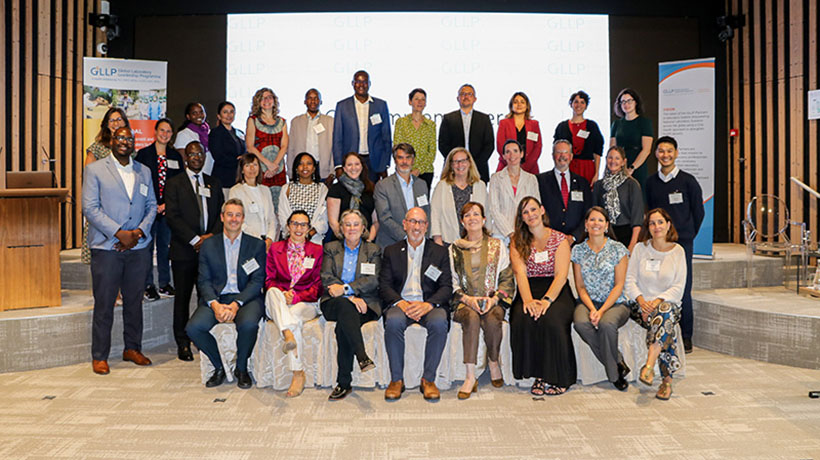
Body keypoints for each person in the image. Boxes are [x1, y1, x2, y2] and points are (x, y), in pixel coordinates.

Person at [82, 126, 156, 375]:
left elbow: (152, 206)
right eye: (120, 137)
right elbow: (90, 208)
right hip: (107, 247)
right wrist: (119, 233)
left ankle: (132, 348)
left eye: (129, 138)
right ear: (112, 141)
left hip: (138, 246)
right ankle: (100, 355)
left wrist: (137, 234)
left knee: (134, 301)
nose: (125, 142)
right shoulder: (95, 169)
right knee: (104, 303)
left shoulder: (143, 171)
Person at [185, 199, 266, 389]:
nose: (234, 219)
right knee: (193, 328)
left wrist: (237, 304)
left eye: (238, 215)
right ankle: (219, 367)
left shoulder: (256, 245)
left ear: (243, 218)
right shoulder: (208, 245)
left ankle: (241, 368)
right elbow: (203, 280)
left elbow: (257, 281)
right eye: (230, 214)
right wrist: (214, 304)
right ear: (222, 217)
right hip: (217, 297)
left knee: (248, 324)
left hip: (246, 297)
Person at [380, 207, 452, 401]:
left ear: (427, 226)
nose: (417, 227)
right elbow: (384, 286)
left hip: (428, 304)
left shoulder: (439, 252)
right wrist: (401, 303)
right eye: (412, 221)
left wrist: (428, 305)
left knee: (439, 322)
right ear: (404, 224)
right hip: (401, 304)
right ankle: (396, 380)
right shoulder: (391, 251)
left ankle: (428, 380)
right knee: (393, 321)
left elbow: (446, 287)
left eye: (421, 222)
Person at [164, 141, 225, 362]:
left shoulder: (213, 183)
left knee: (207, 298)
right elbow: (172, 216)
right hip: (183, 251)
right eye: (192, 154)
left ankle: (203, 339)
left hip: (209, 252)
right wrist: (194, 239)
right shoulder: (174, 184)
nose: (196, 157)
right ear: (186, 158)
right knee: (182, 298)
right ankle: (182, 342)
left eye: (200, 153)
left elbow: (222, 214)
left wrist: (208, 239)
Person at [509, 196, 576, 395]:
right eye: (525, 212)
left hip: (556, 289)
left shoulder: (559, 239)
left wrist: (546, 301)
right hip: (529, 287)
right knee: (523, 317)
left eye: (533, 209)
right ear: (521, 217)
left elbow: (561, 275)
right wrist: (528, 301)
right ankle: (538, 375)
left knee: (552, 319)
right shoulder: (517, 240)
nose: (530, 215)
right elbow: (520, 273)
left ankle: (561, 377)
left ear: (542, 210)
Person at [449, 202, 514, 399]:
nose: (472, 218)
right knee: (471, 318)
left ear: (484, 219)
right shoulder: (455, 249)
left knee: (493, 318)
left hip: (491, 300)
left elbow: (506, 278)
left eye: (476, 214)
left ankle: (493, 361)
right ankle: (470, 376)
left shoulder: (497, 245)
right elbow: (452, 282)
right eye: (467, 215)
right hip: (464, 302)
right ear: (462, 221)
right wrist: (468, 300)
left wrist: (494, 300)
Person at [645, 136, 704, 354]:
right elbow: (650, 212)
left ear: (676, 153)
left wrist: (687, 235)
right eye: (661, 151)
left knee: (682, 288)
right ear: (656, 154)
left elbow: (698, 212)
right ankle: (659, 330)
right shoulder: (651, 182)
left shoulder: (688, 181)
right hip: (657, 245)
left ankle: (686, 336)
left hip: (682, 244)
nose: (665, 155)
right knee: (658, 286)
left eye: (669, 151)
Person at [625, 208, 687, 400]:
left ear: (668, 225)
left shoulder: (678, 251)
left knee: (665, 313)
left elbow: (678, 287)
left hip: (668, 304)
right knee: (664, 320)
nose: (656, 227)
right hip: (640, 306)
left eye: (660, 222)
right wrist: (643, 302)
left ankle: (649, 364)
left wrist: (657, 302)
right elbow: (630, 280)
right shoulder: (640, 249)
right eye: (652, 223)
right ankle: (666, 382)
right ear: (648, 227)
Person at [320, 209, 382, 400]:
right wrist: (350, 297)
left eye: (356, 224)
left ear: (364, 228)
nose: (352, 228)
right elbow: (326, 277)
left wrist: (347, 289)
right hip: (334, 302)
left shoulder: (373, 250)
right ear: (341, 227)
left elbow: (372, 280)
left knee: (343, 328)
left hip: (366, 304)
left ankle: (343, 383)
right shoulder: (331, 247)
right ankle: (362, 356)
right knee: (346, 308)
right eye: (347, 224)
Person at [571, 207, 631, 391]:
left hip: (616, 303)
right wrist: (592, 308)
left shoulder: (618, 249)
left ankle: (613, 375)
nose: (595, 223)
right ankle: (618, 362)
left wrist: (601, 310)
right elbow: (580, 286)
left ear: (606, 225)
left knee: (606, 324)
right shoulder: (578, 251)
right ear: (586, 225)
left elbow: (619, 285)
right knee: (580, 323)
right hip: (588, 301)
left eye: (600, 220)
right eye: (592, 220)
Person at [264, 211, 323, 397]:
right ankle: (288, 334)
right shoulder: (275, 248)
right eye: (295, 224)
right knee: (272, 292)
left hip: (306, 302)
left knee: (294, 315)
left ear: (308, 228)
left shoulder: (317, 250)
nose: (299, 228)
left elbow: (318, 285)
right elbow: (269, 280)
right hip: (279, 300)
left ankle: (297, 372)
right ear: (288, 226)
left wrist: (296, 297)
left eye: (303, 225)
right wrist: (283, 294)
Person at [135, 118, 184, 300]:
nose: (165, 134)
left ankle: (164, 283)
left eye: (168, 131)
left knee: (164, 247)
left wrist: (166, 205)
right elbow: (138, 182)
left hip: (167, 210)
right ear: (155, 132)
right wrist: (151, 205)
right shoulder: (143, 154)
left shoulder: (175, 156)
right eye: (162, 130)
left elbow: (179, 185)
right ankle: (148, 284)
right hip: (147, 209)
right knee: (147, 247)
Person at [81, 107, 130, 265]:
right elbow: (88, 177)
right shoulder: (97, 147)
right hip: (102, 209)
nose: (116, 123)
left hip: (124, 210)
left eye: (119, 119)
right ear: (106, 124)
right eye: (112, 120)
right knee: (104, 262)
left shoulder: (129, 148)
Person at [332, 70, 392, 182]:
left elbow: (386, 137)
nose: (361, 85)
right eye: (358, 81)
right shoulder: (342, 106)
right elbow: (337, 139)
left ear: (369, 84)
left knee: (371, 197)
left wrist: (385, 164)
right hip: (350, 162)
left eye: (364, 82)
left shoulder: (380, 105)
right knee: (351, 197)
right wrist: (339, 165)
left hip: (374, 162)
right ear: (353, 83)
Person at [373, 143, 430, 248]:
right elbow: (384, 218)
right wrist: (407, 238)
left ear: (413, 160)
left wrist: (422, 238)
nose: (404, 162)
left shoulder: (422, 185)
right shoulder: (383, 186)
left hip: (419, 244)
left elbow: (426, 213)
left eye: (408, 158)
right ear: (395, 160)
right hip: (392, 244)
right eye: (400, 158)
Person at [536, 139, 592, 244]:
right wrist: (551, 235)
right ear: (553, 155)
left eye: (565, 152)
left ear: (571, 156)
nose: (562, 156)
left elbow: (588, 213)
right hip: (548, 240)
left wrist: (574, 236)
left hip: (577, 242)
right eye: (558, 152)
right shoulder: (540, 181)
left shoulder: (582, 183)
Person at [245, 87, 289, 217]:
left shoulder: (282, 122)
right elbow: (250, 146)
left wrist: (275, 165)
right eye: (263, 98)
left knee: (278, 208)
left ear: (274, 101)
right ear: (258, 102)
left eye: (269, 97)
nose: (266, 100)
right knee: (262, 207)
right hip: (261, 170)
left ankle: (276, 236)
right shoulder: (252, 120)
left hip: (279, 169)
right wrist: (268, 164)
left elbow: (284, 146)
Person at [431, 147, 488, 246]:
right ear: (451, 165)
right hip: (448, 242)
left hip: (476, 243)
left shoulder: (480, 186)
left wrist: (487, 238)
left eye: (463, 161)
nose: (460, 165)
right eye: (455, 162)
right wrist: (437, 241)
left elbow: (487, 213)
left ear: (469, 163)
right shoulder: (442, 186)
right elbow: (434, 214)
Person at [439, 84, 495, 182]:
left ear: (475, 99)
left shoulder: (484, 119)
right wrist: (455, 162)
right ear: (458, 98)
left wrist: (473, 164)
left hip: (479, 169)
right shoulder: (448, 118)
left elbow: (489, 145)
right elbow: (443, 144)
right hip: (453, 169)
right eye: (463, 94)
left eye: (469, 94)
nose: (466, 96)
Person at [592, 146, 644, 251]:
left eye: (617, 158)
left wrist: (633, 243)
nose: (613, 161)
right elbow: (594, 213)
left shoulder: (632, 184)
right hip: (604, 235)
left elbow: (637, 217)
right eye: (610, 158)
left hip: (626, 235)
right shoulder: (598, 185)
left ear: (623, 162)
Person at [487, 140, 539, 244]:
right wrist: (510, 233)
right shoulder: (496, 178)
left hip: (525, 233)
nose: (512, 155)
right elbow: (494, 209)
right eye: (508, 152)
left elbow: (535, 207)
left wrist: (521, 232)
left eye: (515, 151)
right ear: (503, 156)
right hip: (501, 234)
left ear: (522, 154)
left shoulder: (531, 179)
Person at [553, 90, 605, 186]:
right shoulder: (562, 127)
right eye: (576, 101)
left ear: (586, 106)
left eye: (582, 102)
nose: (578, 105)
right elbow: (556, 151)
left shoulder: (592, 126)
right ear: (571, 104)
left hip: (587, 169)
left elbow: (597, 152)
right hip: (567, 167)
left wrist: (596, 173)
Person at [278, 152, 329, 245]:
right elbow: (282, 215)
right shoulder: (286, 188)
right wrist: (293, 234)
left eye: (309, 164)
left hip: (314, 240)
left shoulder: (322, 188)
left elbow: (324, 218)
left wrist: (308, 235)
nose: (305, 167)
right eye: (301, 164)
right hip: (290, 240)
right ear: (296, 168)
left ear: (314, 168)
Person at [228, 154, 277, 250]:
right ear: (242, 170)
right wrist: (256, 240)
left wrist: (270, 238)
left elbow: (272, 217)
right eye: (247, 165)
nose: (252, 168)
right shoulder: (236, 190)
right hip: (247, 240)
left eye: (255, 165)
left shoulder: (265, 190)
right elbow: (236, 219)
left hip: (267, 242)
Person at [327, 152, 378, 242]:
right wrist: (347, 241)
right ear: (344, 169)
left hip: (367, 241)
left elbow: (376, 221)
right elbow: (333, 222)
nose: (353, 168)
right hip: (341, 241)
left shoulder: (371, 188)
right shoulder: (336, 189)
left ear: (362, 167)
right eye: (349, 165)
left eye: (357, 164)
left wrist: (369, 240)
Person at [287, 88, 334, 183]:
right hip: (302, 170)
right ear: (305, 101)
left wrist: (332, 173)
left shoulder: (330, 121)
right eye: (310, 98)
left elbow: (334, 149)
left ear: (321, 101)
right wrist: (291, 173)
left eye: (316, 98)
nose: (313, 101)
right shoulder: (296, 122)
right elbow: (291, 149)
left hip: (323, 170)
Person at [393, 88, 436, 191]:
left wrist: (418, 170)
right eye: (416, 99)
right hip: (404, 170)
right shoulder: (401, 122)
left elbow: (432, 152)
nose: (420, 102)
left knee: (422, 203)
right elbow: (397, 147)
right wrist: (407, 168)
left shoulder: (431, 125)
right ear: (410, 101)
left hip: (425, 172)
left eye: (423, 99)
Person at [610, 88, 653, 189]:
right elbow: (612, 148)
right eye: (623, 102)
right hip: (618, 165)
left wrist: (631, 168)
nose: (626, 104)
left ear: (636, 102)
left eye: (629, 101)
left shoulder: (644, 122)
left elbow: (646, 150)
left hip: (637, 165)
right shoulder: (616, 124)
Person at [496, 92, 543, 174]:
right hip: (506, 166)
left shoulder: (534, 124)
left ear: (527, 106)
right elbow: (500, 146)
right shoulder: (504, 123)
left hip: (530, 168)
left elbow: (537, 146)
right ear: (511, 105)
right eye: (515, 102)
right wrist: (512, 163)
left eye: (522, 102)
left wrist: (527, 166)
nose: (519, 104)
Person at [208, 101, 246, 195]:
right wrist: (238, 161)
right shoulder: (215, 133)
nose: (229, 115)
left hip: (238, 178)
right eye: (225, 112)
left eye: (231, 112)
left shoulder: (239, 132)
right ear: (219, 116)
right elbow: (218, 156)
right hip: (223, 178)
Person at [174, 102, 214, 175]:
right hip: (192, 177)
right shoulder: (183, 134)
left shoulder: (209, 133)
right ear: (188, 116)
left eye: (201, 112)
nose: (199, 115)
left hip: (209, 176)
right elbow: (182, 161)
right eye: (194, 113)